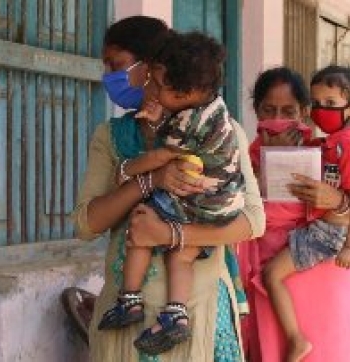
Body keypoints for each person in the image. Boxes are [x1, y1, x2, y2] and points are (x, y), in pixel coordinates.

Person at [74, 16, 265, 362]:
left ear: (151, 70)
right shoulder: (112, 136)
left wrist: (169, 234)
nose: (108, 77)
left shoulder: (221, 132)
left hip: (198, 313)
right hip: (126, 322)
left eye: (116, 67)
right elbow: (87, 224)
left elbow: (253, 222)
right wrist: (151, 181)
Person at [238, 66, 350, 362]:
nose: (279, 120)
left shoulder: (327, 150)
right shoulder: (243, 156)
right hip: (268, 273)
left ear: (304, 112)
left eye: (288, 111)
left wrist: (337, 201)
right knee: (274, 350)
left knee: (327, 350)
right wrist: (264, 165)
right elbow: (230, 207)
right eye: (269, 110)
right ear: (256, 111)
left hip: (326, 268)